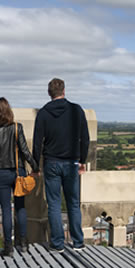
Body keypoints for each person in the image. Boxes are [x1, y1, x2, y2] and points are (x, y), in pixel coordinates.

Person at [32, 78, 90, 252]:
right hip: (72, 162)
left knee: (55, 204)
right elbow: (85, 138)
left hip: (51, 163)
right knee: (73, 203)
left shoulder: (43, 113)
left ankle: (57, 244)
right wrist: (83, 161)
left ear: (49, 93)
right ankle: (78, 242)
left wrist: (35, 166)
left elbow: (37, 143)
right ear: (64, 91)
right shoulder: (76, 110)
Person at [0, 97, 39, 257]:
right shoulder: (17, 127)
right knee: (20, 208)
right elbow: (25, 151)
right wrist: (35, 167)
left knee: (6, 211)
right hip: (18, 172)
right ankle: (23, 244)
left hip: (1, 173)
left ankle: (8, 247)